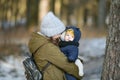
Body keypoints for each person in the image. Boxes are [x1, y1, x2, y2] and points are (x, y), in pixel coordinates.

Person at [28, 12, 81, 80]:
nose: (60, 35)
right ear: (51, 32)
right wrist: (79, 72)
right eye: (58, 33)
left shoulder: (40, 42)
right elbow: (66, 65)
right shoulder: (47, 47)